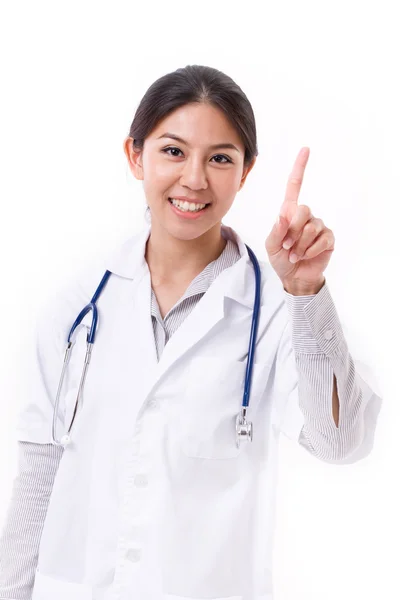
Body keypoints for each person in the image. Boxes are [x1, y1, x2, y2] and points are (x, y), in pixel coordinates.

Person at [0, 64, 382, 600]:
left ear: (245, 172)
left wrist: (306, 293)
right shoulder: (76, 309)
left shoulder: (276, 310)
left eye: (220, 158)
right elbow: (39, 477)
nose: (195, 179)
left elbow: (339, 442)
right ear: (136, 156)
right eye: (173, 151)